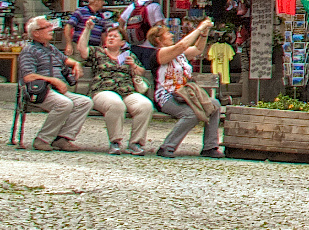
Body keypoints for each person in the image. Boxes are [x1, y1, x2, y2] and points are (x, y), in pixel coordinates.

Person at [77, 19, 154, 155]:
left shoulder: (128, 55)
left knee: (145, 105)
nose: (111, 38)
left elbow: (141, 71)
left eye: (115, 36)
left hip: (127, 91)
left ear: (122, 43)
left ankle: (135, 143)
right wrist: (87, 29)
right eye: (109, 36)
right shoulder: (98, 52)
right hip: (103, 90)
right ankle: (115, 142)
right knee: (116, 104)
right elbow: (82, 50)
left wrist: (133, 66)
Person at [148, 19, 223, 158]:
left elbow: (198, 49)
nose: (171, 35)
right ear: (158, 39)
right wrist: (199, 29)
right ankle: (167, 147)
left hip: (186, 94)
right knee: (191, 114)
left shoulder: (180, 54)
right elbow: (182, 45)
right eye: (167, 33)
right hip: (167, 97)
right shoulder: (160, 53)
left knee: (215, 105)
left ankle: (210, 147)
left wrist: (204, 34)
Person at [20, 14, 94, 152]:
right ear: (36, 33)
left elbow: (66, 60)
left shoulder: (50, 48)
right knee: (64, 103)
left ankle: (63, 138)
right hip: (39, 91)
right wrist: (53, 80)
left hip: (57, 90)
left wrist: (76, 64)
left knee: (85, 102)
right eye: (46, 27)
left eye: (50, 26)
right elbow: (28, 77)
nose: (51, 29)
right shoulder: (29, 51)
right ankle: (42, 139)